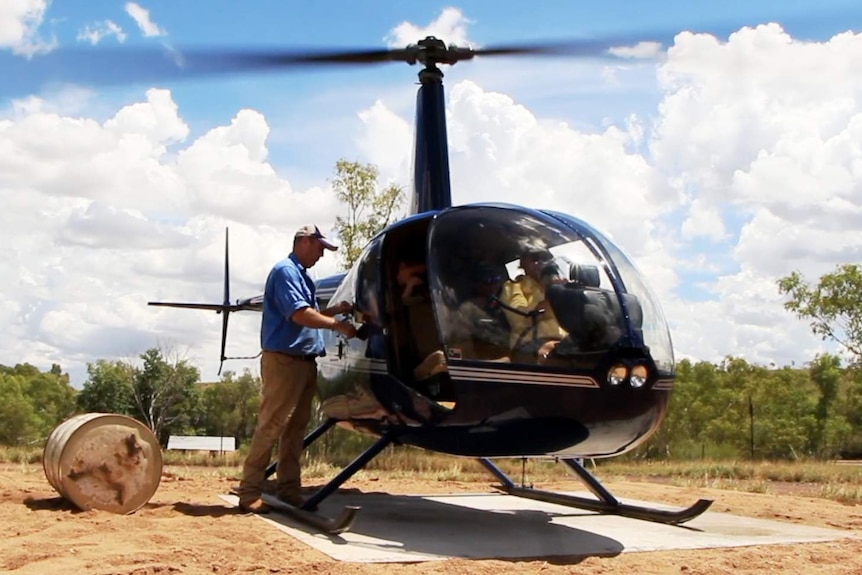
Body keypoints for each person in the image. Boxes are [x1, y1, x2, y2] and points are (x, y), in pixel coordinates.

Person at [237, 224, 357, 514]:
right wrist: (338, 325)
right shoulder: (285, 272)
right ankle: (249, 492)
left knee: (295, 430)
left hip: (304, 361)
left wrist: (333, 310)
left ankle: (289, 489)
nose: (321, 255)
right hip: (285, 362)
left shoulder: (302, 276)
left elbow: (310, 312)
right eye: (319, 248)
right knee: (272, 425)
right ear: (304, 242)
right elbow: (300, 315)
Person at [498, 249, 567, 359]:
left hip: (563, 342)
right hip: (528, 344)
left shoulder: (560, 287)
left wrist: (571, 293)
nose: (541, 262)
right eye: (535, 258)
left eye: (545, 259)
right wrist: (551, 293)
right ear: (523, 262)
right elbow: (520, 321)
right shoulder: (513, 286)